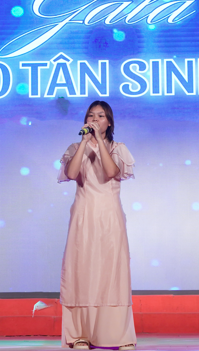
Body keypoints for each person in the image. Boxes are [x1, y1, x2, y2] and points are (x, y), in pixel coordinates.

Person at [57, 100, 136, 350]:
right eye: (91, 115)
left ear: (109, 122)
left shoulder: (118, 148)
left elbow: (111, 172)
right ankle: (80, 334)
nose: (94, 119)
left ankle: (117, 335)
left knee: (111, 271)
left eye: (100, 116)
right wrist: (84, 142)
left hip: (109, 215)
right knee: (82, 270)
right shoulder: (75, 147)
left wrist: (100, 141)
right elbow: (71, 174)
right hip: (83, 214)